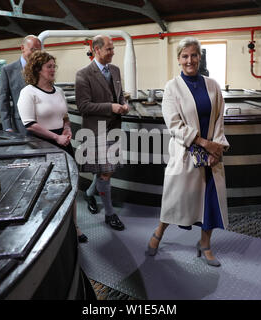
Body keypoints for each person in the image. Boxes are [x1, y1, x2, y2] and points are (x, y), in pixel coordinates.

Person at [147, 37, 230, 267]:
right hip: (186, 154)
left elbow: (219, 119)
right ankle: (159, 233)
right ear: (178, 59)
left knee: (210, 201)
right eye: (185, 56)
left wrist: (217, 147)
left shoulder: (212, 85)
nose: (190, 60)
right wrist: (205, 143)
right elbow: (174, 125)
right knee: (175, 199)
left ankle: (205, 245)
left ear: (200, 58)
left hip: (212, 156)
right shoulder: (172, 87)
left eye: (194, 55)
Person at [17, 50, 87, 243]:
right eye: (49, 66)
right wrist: (56, 138)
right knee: (46, 189)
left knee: (70, 185)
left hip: (63, 142)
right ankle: (47, 229)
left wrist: (66, 130)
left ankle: (74, 225)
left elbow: (64, 116)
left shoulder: (59, 91)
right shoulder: (28, 92)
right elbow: (29, 123)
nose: (53, 70)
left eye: (54, 66)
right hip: (41, 144)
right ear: (38, 70)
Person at [75, 35, 129, 231]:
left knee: (108, 170)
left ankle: (90, 193)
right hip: (96, 131)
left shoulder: (115, 70)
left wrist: (124, 104)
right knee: (106, 174)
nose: (113, 52)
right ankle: (109, 214)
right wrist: (111, 107)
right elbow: (83, 106)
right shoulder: (83, 74)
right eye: (109, 49)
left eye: (113, 48)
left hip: (114, 129)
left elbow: (120, 95)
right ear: (96, 50)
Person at [0, 35, 42, 135]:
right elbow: (4, 100)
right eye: (33, 50)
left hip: (43, 123)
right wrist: (7, 127)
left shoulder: (42, 69)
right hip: (21, 125)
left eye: (38, 51)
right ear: (22, 48)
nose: (36, 54)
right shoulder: (8, 70)